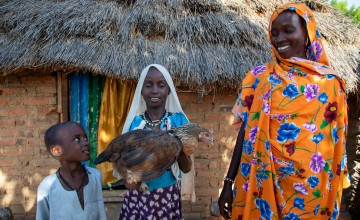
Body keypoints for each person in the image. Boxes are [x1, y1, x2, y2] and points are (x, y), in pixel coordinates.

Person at [218, 3, 350, 220]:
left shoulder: (331, 84)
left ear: (307, 33)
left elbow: (336, 145)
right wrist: (228, 183)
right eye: (274, 33)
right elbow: (246, 133)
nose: (279, 39)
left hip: (311, 193)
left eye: (289, 31)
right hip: (262, 187)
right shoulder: (257, 78)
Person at [118, 64, 195, 219]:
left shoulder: (179, 122)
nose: (154, 90)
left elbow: (186, 168)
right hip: (138, 197)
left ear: (168, 90)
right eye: (148, 85)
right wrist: (130, 180)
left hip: (167, 196)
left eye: (161, 85)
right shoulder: (134, 125)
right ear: (141, 89)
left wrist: (176, 147)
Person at [36, 122, 106, 220]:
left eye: (85, 138)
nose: (86, 142)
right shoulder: (48, 186)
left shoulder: (95, 176)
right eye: (77, 139)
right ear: (57, 150)